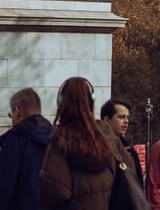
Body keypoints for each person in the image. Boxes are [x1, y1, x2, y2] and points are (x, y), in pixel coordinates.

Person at [38, 76, 132, 210]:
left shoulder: (60, 141)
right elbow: (128, 172)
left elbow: (54, 192)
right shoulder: (108, 136)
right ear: (91, 101)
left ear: (61, 102)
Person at [0, 87, 52, 210]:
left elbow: (4, 187)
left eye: (10, 114)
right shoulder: (57, 136)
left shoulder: (15, 139)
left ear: (17, 111)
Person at [101, 98, 143, 183]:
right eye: (121, 117)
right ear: (107, 120)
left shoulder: (130, 151)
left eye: (127, 117)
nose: (126, 121)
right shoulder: (96, 147)